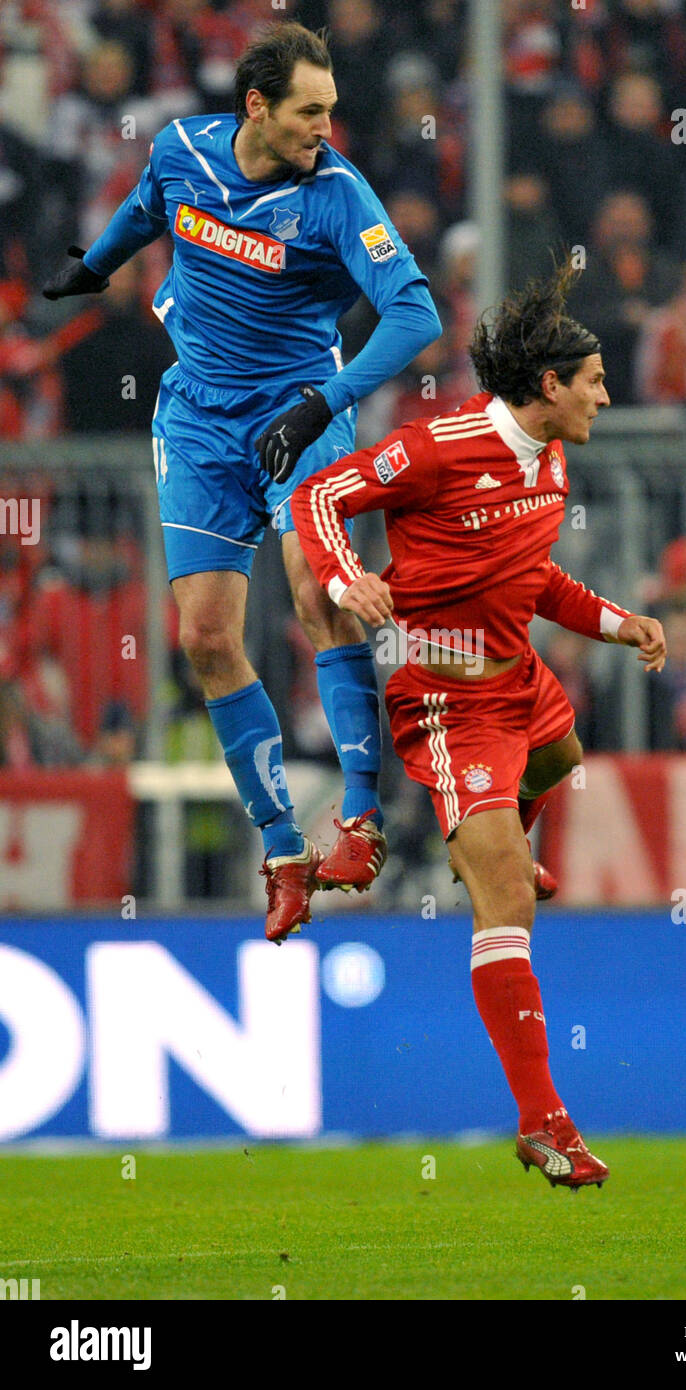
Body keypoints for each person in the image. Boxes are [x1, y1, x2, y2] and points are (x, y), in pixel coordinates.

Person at [42, 21, 442, 942]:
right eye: (311, 110)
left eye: (333, 109)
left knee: (320, 592)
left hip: (302, 413)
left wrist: (324, 401)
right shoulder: (184, 149)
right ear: (256, 106)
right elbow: (149, 205)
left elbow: (413, 310)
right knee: (207, 638)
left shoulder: (336, 193)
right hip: (198, 421)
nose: (326, 127)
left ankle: (360, 823)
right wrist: (93, 269)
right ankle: (284, 850)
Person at [291, 263, 668, 1191]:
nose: (605, 395)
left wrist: (619, 624)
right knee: (509, 903)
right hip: (451, 703)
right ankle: (546, 1122)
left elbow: (530, 577)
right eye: (593, 381)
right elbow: (319, 499)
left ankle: (498, 838)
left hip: (523, 681)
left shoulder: (552, 457)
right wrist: (348, 580)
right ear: (549, 387)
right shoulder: (439, 445)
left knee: (568, 752)